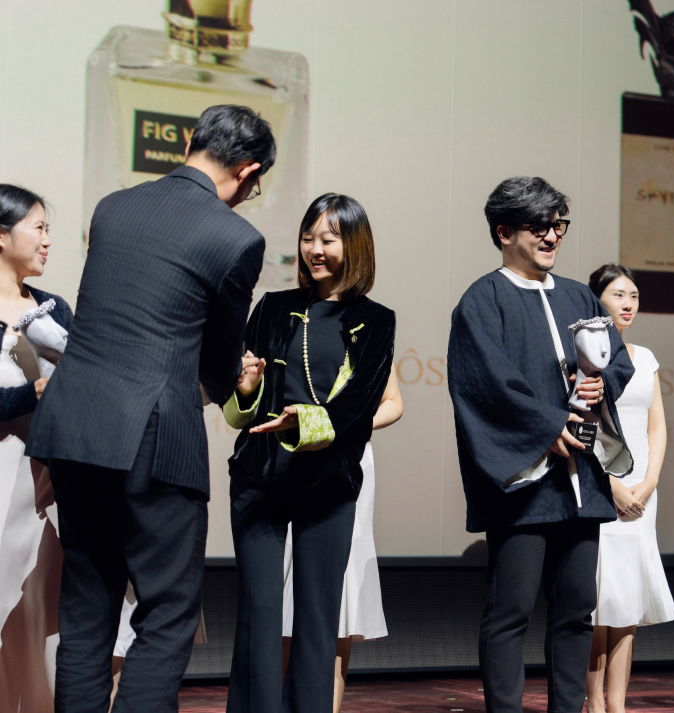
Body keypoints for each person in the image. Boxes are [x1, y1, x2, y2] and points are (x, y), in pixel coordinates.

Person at [24, 104, 272, 713]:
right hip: (153, 439)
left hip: (75, 426)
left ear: (189, 144)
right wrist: (234, 380)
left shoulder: (114, 206)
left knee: (88, 607)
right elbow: (218, 357)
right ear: (247, 171)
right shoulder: (237, 237)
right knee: (168, 609)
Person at [447, 177, 635, 713]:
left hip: (581, 480)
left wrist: (601, 385)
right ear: (504, 233)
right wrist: (547, 425)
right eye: (539, 227)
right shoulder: (483, 299)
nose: (552, 236)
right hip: (524, 481)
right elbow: (484, 384)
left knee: (577, 608)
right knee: (511, 610)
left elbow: (617, 361)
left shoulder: (578, 294)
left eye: (558, 225)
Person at [223, 193, 395, 713]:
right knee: (258, 615)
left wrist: (305, 421)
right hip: (260, 477)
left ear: (355, 244)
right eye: (307, 238)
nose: (314, 249)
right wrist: (247, 389)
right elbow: (240, 411)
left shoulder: (376, 320)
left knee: (319, 621)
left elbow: (360, 405)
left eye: (328, 238)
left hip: (328, 482)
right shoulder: (272, 307)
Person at [281, 365, 403, 713]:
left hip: (350, 459)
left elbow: (394, 402)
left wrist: (353, 425)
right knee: (290, 591)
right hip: (297, 453)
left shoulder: (369, 336)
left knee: (342, 593)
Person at [584, 264, 674, 713]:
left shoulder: (646, 357)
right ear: (596, 300)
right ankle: (593, 701)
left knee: (627, 605)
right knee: (599, 602)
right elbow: (584, 432)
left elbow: (657, 427)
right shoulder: (585, 360)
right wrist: (612, 486)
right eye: (618, 295)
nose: (628, 304)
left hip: (642, 493)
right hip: (601, 490)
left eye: (634, 296)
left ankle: (617, 705)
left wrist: (650, 481)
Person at [0, 185, 69, 712]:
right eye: (38, 228)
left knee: (39, 609)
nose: (47, 241)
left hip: (43, 480)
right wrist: (33, 394)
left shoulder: (55, 309)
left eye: (49, 230)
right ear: (1, 236)